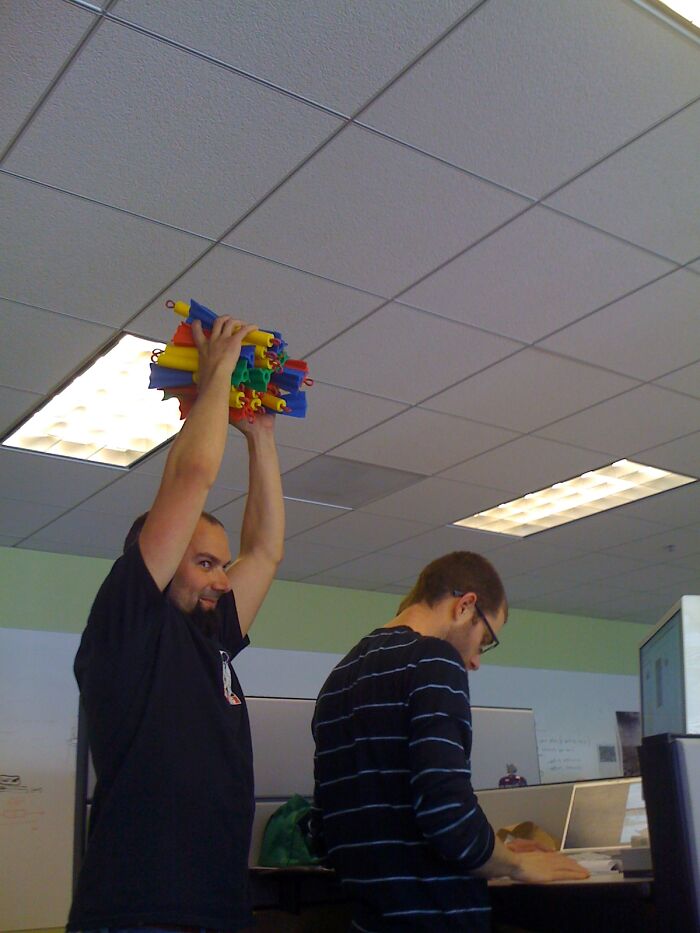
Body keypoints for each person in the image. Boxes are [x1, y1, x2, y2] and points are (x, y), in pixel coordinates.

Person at [67, 314, 285, 933]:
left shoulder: (211, 639)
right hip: (140, 914)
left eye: (222, 565)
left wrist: (260, 437)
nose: (223, 578)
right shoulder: (131, 626)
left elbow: (266, 550)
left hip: (217, 909)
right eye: (205, 563)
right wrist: (216, 375)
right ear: (160, 567)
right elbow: (192, 476)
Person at [311, 551, 588, 932]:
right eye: (486, 638)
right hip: (433, 918)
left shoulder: (339, 678)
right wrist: (518, 864)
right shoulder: (433, 660)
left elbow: (331, 828)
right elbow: (445, 815)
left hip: (369, 918)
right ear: (466, 605)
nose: (476, 661)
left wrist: (496, 851)